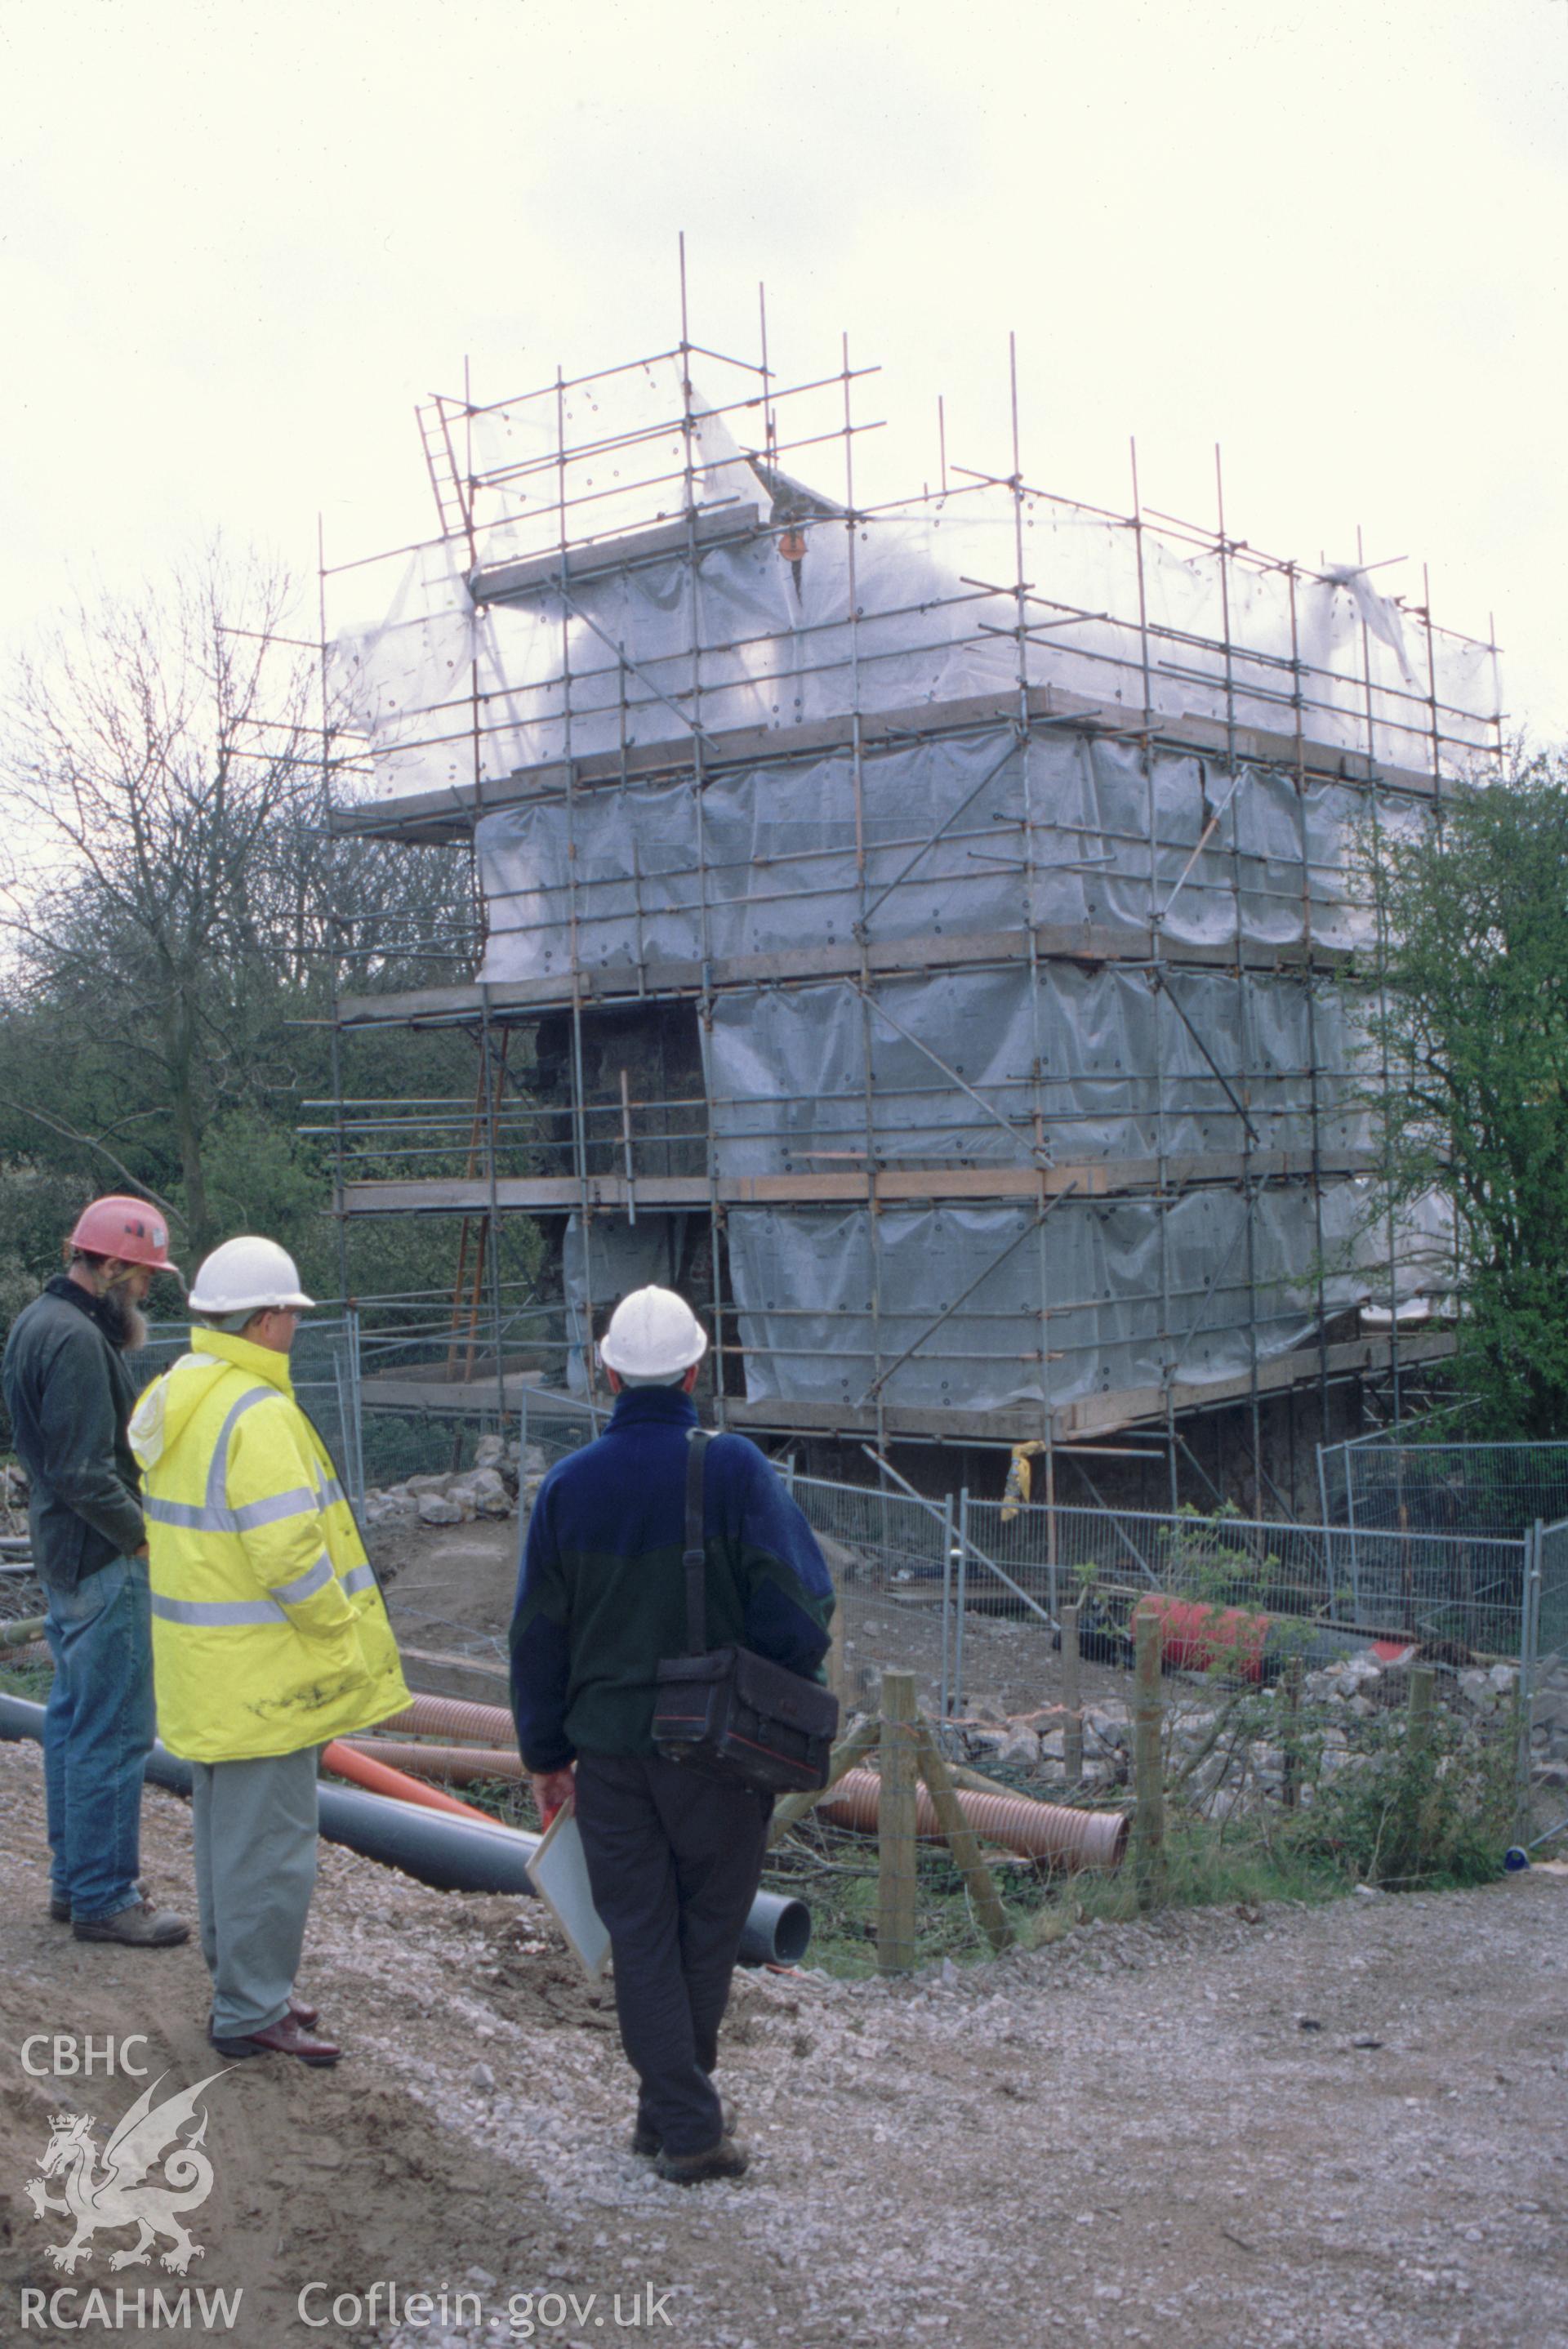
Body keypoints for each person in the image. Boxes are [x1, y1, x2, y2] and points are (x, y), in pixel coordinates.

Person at [510, 1284, 835, 2185]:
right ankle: (690, 2123)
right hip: (721, 1754)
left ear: (608, 1372)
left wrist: (544, 1755)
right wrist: (757, 1674)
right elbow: (803, 1612)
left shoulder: (568, 1486)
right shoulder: (733, 1470)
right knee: (705, 1932)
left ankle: (667, 2114)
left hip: (610, 1759)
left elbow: (536, 1635)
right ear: (697, 1369)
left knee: (642, 1935)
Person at [129, 1235, 409, 2066]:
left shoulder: (182, 1392)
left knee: (228, 1839)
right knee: (272, 1849)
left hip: (206, 1674)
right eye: (290, 1310)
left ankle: (245, 1982)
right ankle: (252, 2006)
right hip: (266, 1681)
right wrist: (334, 1633)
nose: (295, 1324)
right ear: (266, 1317)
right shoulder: (258, 1412)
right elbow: (289, 1554)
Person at [2, 1195, 190, 1947]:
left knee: (73, 1723)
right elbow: (84, 1471)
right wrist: (143, 1539)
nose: (145, 1291)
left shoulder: (33, 1322)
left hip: (62, 1555)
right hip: (100, 1559)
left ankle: (72, 1884)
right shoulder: (78, 1340)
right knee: (113, 1732)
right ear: (109, 1266)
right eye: (141, 1276)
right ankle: (106, 1897)